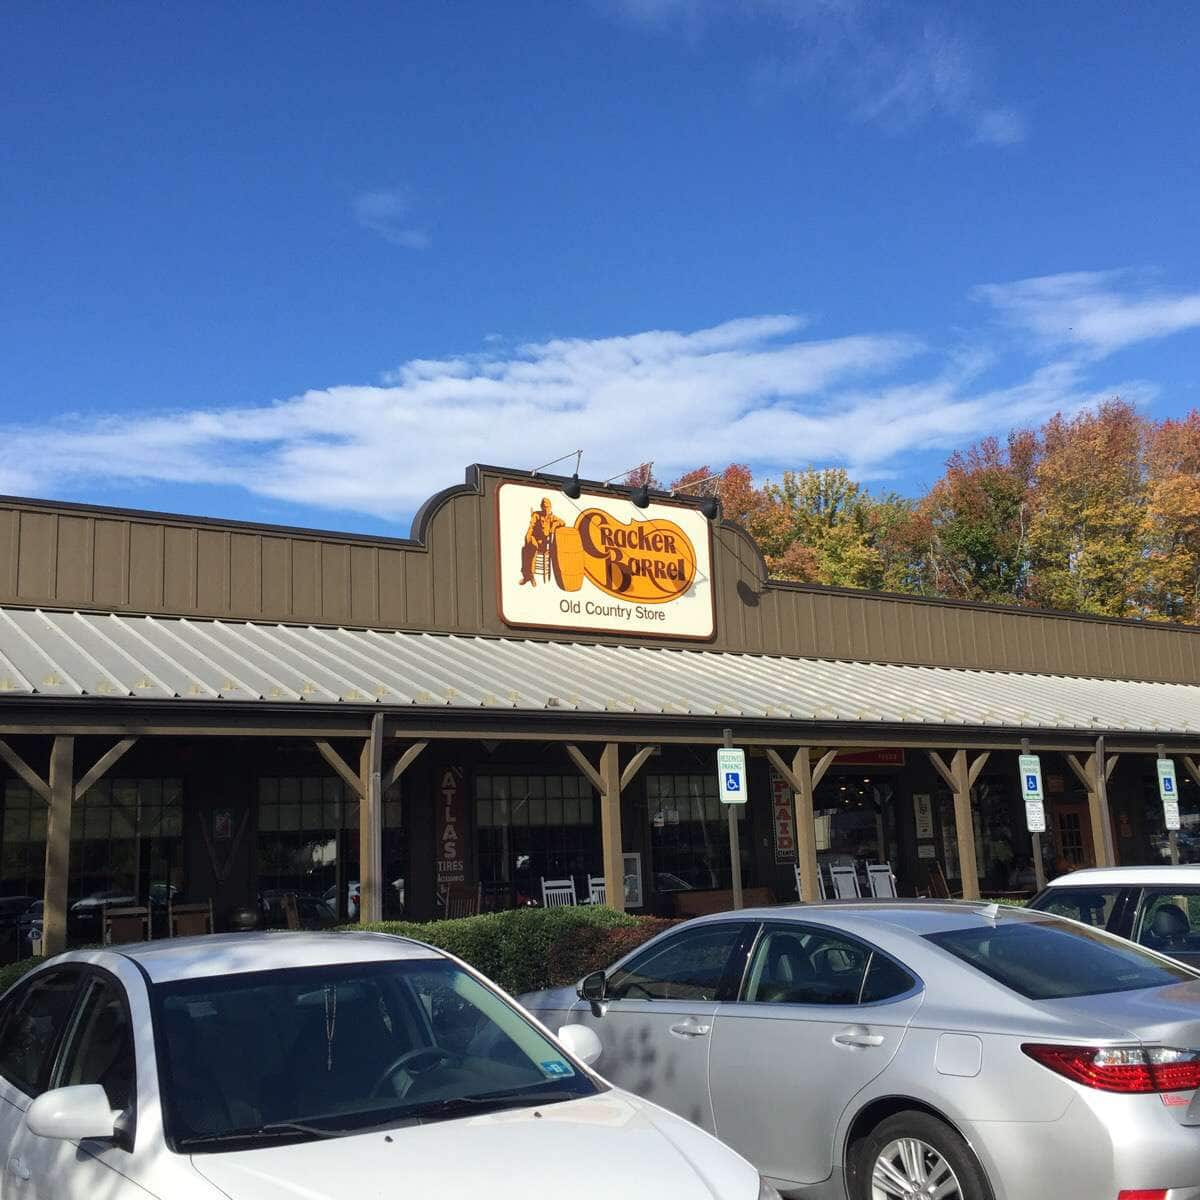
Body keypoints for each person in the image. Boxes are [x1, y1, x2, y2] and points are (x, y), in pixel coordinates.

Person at [520, 498, 564, 586]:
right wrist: (527, 537)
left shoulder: (552, 517)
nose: (546, 509)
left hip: (544, 544)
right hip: (534, 540)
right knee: (525, 548)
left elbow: (562, 522)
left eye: (548, 507)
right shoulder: (536, 515)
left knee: (530, 548)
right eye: (544, 507)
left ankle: (529, 576)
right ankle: (528, 575)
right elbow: (531, 527)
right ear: (541, 507)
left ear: (551, 507)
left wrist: (554, 525)